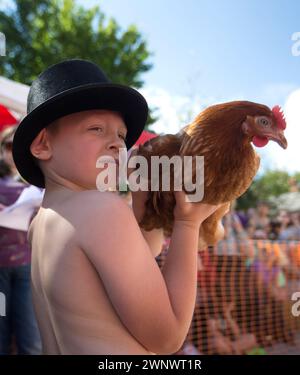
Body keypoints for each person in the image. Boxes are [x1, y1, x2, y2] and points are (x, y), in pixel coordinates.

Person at [12, 59, 220, 355]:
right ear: (43, 144)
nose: (116, 144)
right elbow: (167, 338)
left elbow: (135, 258)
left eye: (121, 135)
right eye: (96, 128)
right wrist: (188, 225)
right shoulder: (102, 208)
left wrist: (142, 199)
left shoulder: (40, 223)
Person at [0, 126, 41, 355]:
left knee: (30, 333)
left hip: (26, 265)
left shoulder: (38, 182)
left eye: (18, 147)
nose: (12, 152)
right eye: (8, 146)